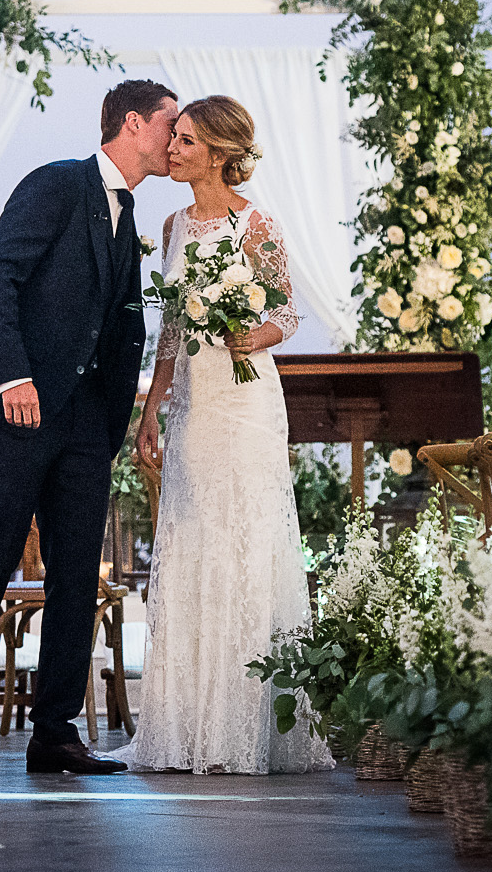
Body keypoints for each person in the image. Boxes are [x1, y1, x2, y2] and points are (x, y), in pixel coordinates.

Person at [0, 79, 178, 777]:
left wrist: (118, 415)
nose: (176, 138)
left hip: (85, 421)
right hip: (20, 407)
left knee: (76, 572)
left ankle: (55, 732)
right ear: (133, 124)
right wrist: (12, 377)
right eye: (169, 124)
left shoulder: (127, 213)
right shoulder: (57, 183)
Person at [117, 96, 332, 774]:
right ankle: (187, 727)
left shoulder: (256, 222)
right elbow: (172, 331)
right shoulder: (173, 221)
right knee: (194, 539)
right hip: (196, 407)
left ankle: (245, 727)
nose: (171, 149)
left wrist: (253, 331)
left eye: (184, 141)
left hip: (246, 404)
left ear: (216, 151)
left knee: (246, 541)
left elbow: (288, 313)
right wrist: (152, 407)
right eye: (173, 137)